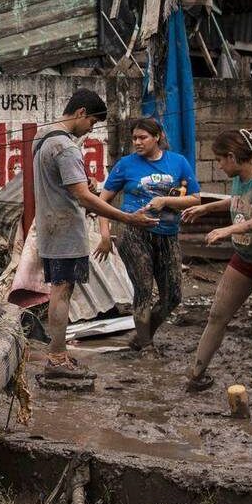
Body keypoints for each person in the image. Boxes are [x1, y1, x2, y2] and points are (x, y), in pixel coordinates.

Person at [33, 89, 158, 378]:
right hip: (65, 230)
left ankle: (57, 354)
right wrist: (127, 217)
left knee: (59, 289)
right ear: (80, 114)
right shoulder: (65, 147)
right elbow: (83, 197)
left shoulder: (42, 138)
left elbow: (66, 185)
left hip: (50, 227)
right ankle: (57, 357)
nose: (91, 130)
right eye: (91, 123)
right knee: (63, 291)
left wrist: (82, 185)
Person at [180, 128, 252, 394]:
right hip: (245, 257)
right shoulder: (241, 178)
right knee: (217, 314)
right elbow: (239, 201)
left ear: (232, 157)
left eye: (220, 159)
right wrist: (208, 207)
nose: (218, 165)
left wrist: (229, 230)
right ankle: (196, 377)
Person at [95, 118, 199, 351]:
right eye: (134, 138)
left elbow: (195, 198)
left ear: (158, 137)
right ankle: (147, 347)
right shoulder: (126, 165)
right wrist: (104, 234)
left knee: (173, 296)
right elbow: (102, 201)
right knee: (143, 289)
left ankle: (142, 336)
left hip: (168, 235)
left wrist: (166, 200)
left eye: (143, 138)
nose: (137, 143)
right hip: (135, 234)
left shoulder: (178, 163)